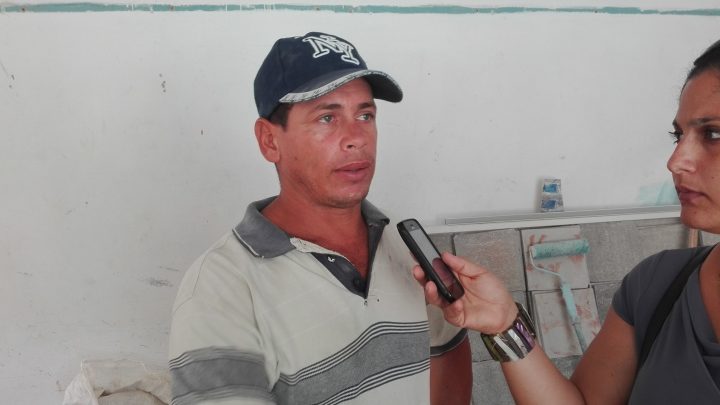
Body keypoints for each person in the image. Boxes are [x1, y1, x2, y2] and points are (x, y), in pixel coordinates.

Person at [168, 32, 472, 405]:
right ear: (269, 140)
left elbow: (447, 351)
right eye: (327, 118)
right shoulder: (220, 289)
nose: (356, 138)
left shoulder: (401, 241)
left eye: (365, 115)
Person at [414, 39, 720, 404]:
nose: (676, 160)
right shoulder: (658, 285)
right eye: (678, 135)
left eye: (713, 134)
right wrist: (504, 324)